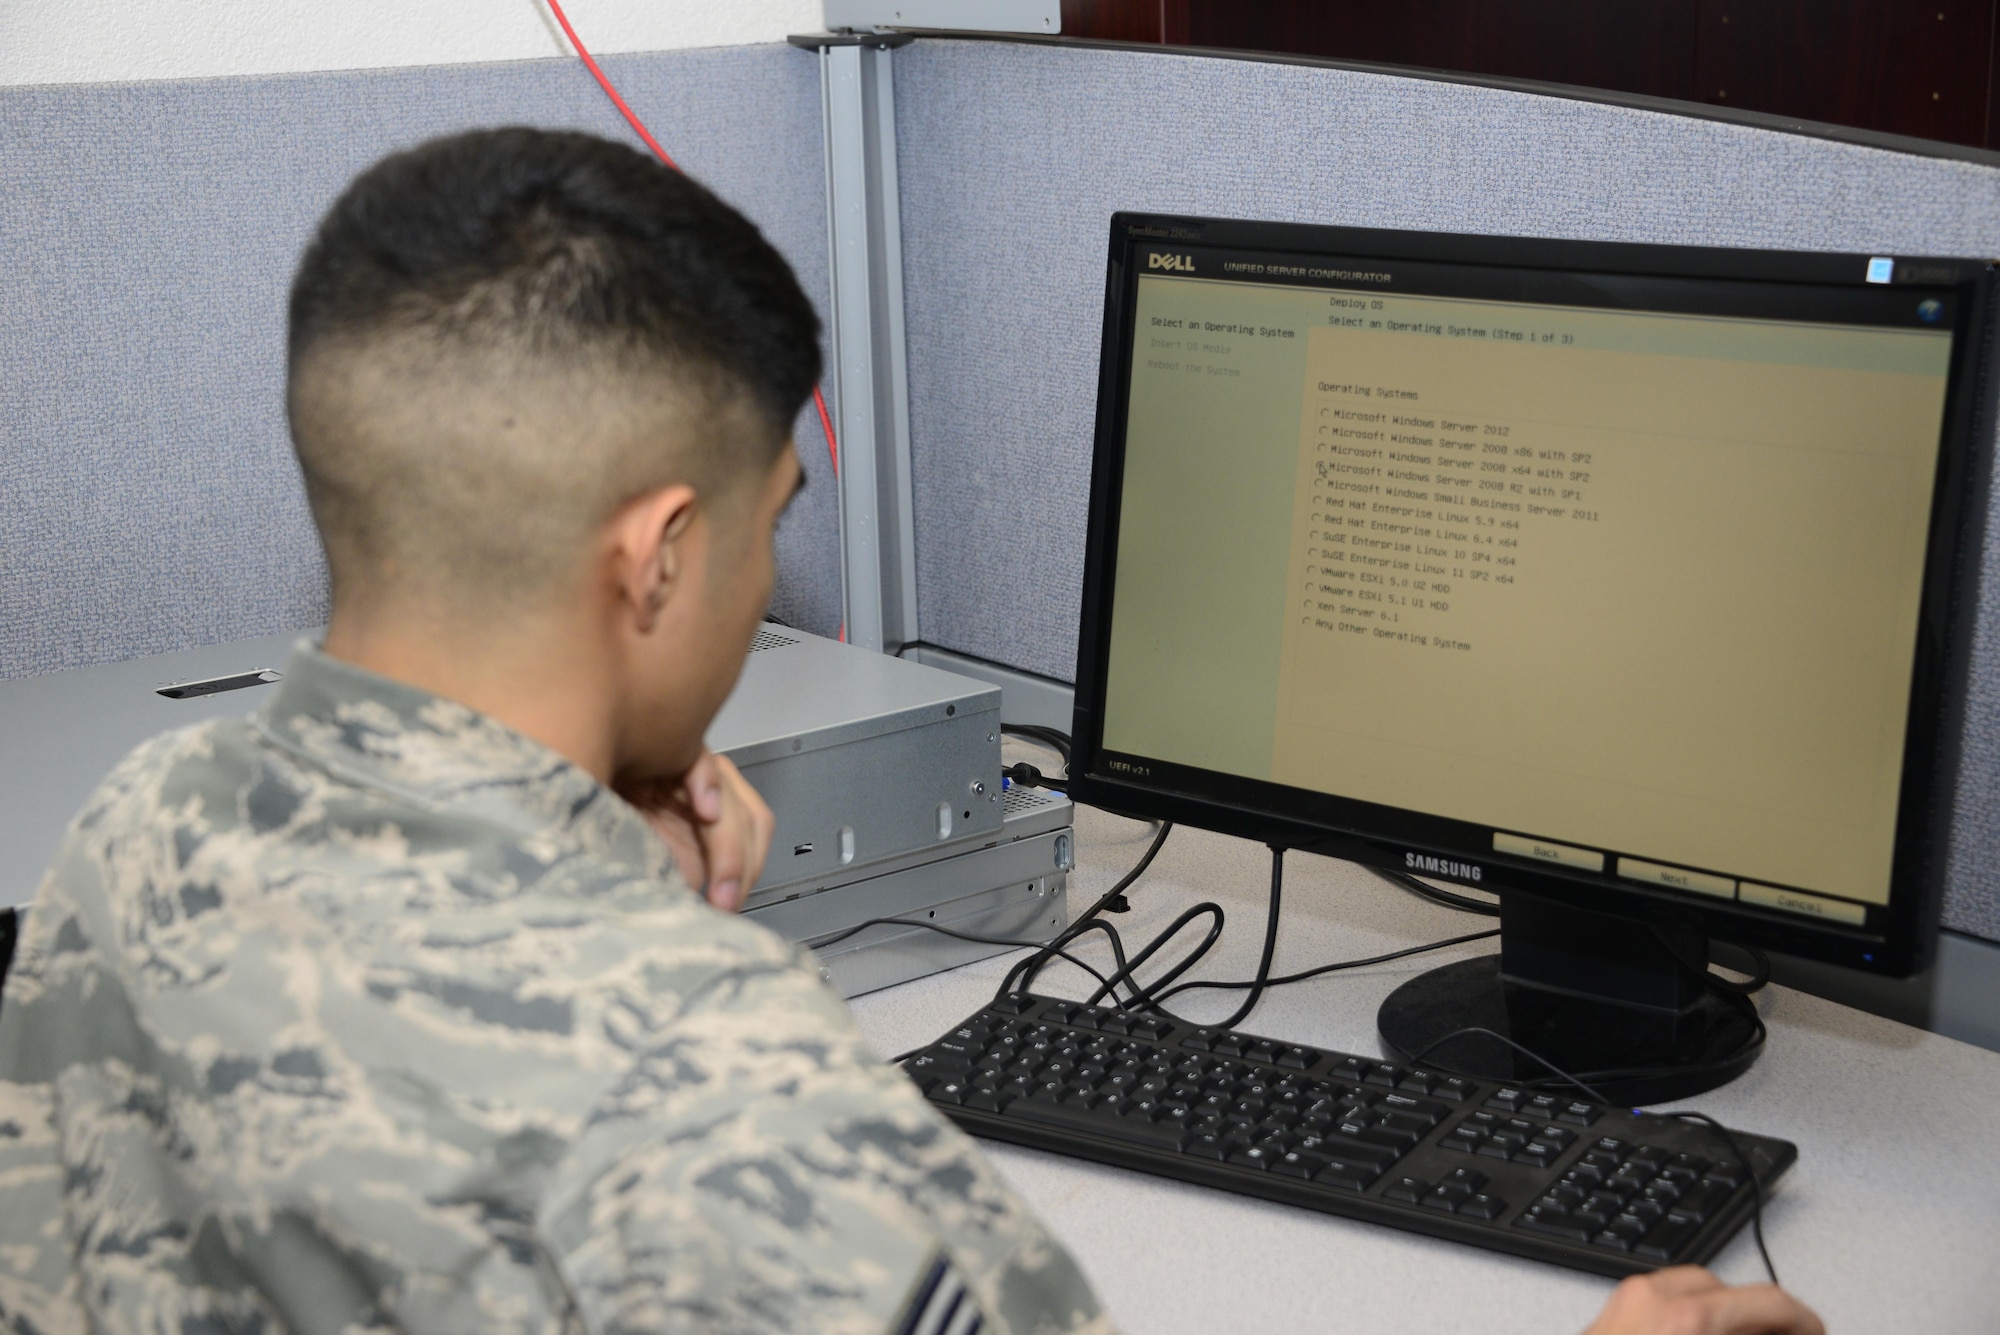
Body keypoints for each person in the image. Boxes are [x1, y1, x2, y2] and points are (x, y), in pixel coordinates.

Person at [0, 128, 1822, 1335]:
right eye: (773, 518)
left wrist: (609, 837)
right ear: (658, 559)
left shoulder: (140, 827)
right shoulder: (737, 1102)